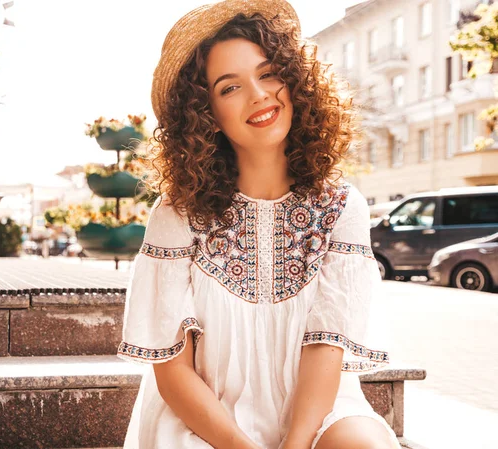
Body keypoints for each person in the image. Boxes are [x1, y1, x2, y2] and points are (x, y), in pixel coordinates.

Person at [117, 1, 398, 448]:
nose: (259, 95)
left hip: (318, 412)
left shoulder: (342, 206)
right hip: (207, 420)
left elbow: (326, 346)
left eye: (268, 74)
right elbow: (173, 373)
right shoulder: (178, 214)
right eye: (230, 88)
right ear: (204, 113)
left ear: (295, 80)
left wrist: (295, 444)